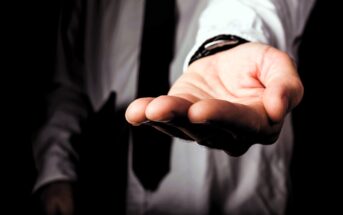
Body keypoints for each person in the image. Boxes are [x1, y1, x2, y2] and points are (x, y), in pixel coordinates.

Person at [32, 0, 315, 214]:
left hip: (229, 197)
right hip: (105, 189)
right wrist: (56, 171)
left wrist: (224, 43)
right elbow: (68, 85)